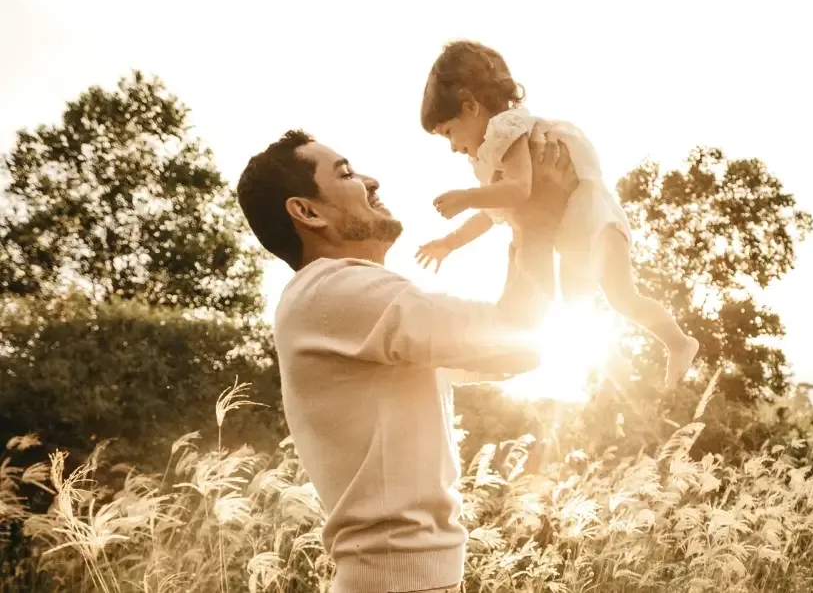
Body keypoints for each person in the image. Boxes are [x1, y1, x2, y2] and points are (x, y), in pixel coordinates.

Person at [235, 126, 576, 593]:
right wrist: (534, 217)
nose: (372, 181)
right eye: (347, 173)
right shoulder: (335, 291)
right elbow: (518, 336)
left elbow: (520, 350)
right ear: (307, 211)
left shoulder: (344, 305)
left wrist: (523, 224)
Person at [416, 40, 700, 388]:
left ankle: (666, 350)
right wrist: (449, 242)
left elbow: (518, 189)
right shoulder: (494, 151)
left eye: (448, 132)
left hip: (592, 217)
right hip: (577, 227)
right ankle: (660, 354)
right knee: (602, 301)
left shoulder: (506, 130)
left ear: (471, 107)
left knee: (599, 302)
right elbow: (494, 213)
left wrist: (466, 197)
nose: (453, 147)